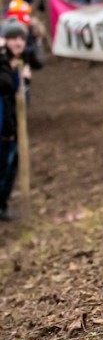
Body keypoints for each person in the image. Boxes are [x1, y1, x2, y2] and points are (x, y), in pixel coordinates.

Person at [0, 19, 27, 221]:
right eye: (12, 39)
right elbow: (7, 87)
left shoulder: (18, 63)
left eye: (20, 39)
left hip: (11, 126)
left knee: (10, 166)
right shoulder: (4, 64)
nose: (18, 43)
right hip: (4, 127)